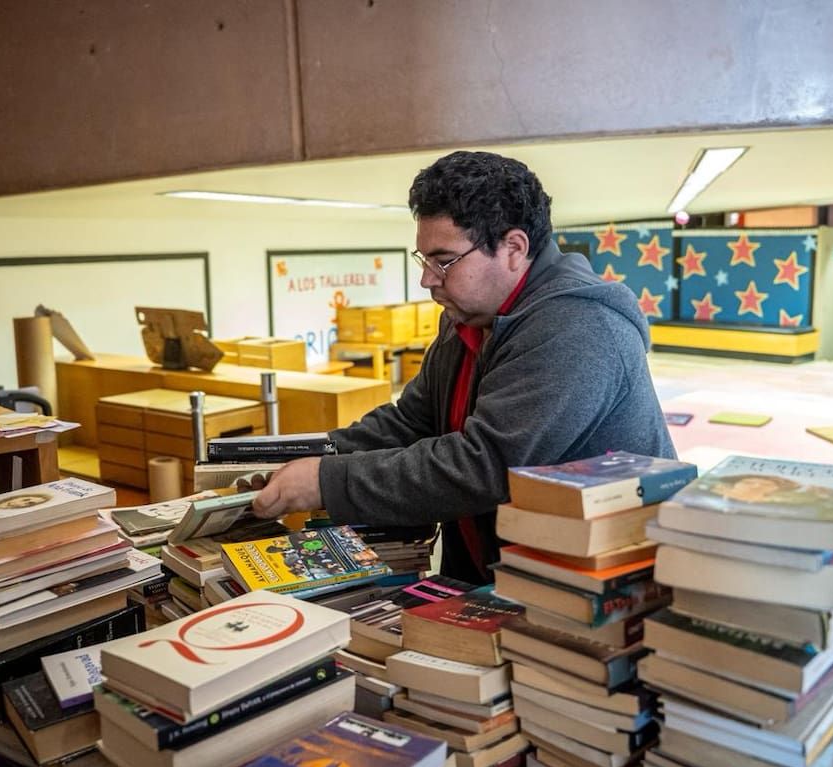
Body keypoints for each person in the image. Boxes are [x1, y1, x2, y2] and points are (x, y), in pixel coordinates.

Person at [252, 150, 675, 583]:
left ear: (514, 248)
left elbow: (484, 467)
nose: (427, 279)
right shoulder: (467, 321)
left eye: (444, 261)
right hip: (497, 580)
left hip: (595, 596)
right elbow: (411, 422)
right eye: (424, 261)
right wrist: (306, 455)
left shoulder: (578, 328)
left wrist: (327, 482)